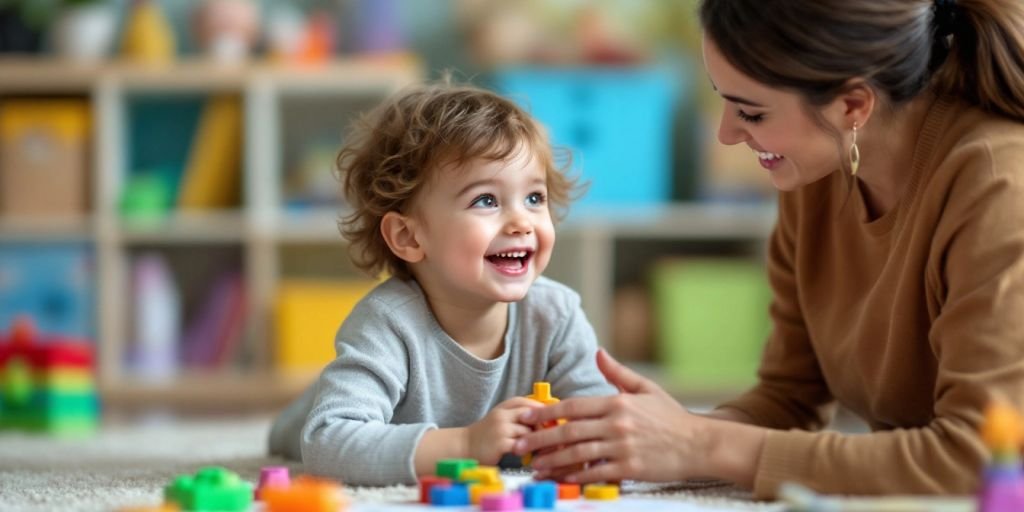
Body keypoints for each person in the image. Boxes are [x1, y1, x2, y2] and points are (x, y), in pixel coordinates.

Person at [512, 0, 1024, 499]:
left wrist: (701, 443)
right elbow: (790, 398)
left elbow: (980, 460)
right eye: (723, 98)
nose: (727, 133)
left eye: (751, 112)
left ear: (852, 105)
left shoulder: (1000, 186)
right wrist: (662, 437)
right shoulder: (822, 170)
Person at [266, 82, 615, 485]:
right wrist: (466, 445)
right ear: (409, 238)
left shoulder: (556, 313)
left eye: (534, 198)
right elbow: (327, 443)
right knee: (297, 428)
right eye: (486, 200)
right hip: (328, 416)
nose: (522, 222)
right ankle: (302, 405)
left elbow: (600, 413)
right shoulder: (386, 324)